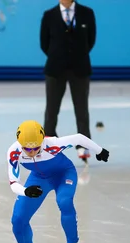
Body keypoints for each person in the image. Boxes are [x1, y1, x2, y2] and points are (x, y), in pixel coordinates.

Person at [4, 120, 109, 243]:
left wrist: (99, 150)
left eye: (36, 148)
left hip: (64, 174)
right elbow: (13, 182)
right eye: (27, 150)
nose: (32, 152)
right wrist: (26, 191)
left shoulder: (52, 144)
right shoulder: (14, 152)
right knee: (18, 219)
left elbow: (79, 138)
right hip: (38, 178)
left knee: (64, 201)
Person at [40, 0, 97, 162]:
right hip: (55, 69)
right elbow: (44, 43)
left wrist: (76, 56)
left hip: (79, 68)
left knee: (81, 108)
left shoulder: (87, 13)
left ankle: (83, 144)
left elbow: (90, 40)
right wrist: (58, 56)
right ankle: (49, 143)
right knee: (51, 109)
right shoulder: (49, 15)